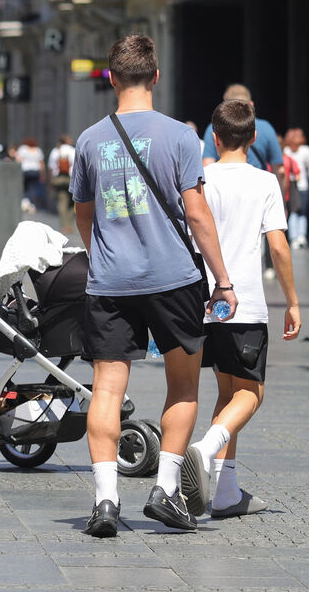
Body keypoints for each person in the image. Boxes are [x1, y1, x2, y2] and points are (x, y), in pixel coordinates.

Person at [70, 34, 237, 538]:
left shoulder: (89, 140)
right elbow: (196, 212)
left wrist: (105, 253)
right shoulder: (182, 137)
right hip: (174, 278)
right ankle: (165, 489)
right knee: (183, 382)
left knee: (106, 384)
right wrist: (223, 280)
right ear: (156, 77)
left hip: (111, 280)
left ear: (112, 78)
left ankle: (104, 500)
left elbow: (83, 215)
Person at [184, 99, 301, 521]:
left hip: (206, 303)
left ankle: (226, 491)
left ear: (214, 137)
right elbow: (278, 246)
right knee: (252, 393)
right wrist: (291, 301)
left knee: (228, 392)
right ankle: (204, 448)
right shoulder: (265, 182)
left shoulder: (199, 178)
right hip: (245, 303)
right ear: (253, 139)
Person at [202, 84, 285, 280]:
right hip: (256, 193)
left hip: (219, 192)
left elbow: (206, 163)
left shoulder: (213, 128)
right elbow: (278, 168)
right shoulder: (265, 128)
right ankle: (264, 270)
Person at [284, 128, 309, 249]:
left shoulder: (286, 150)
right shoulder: (306, 150)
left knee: (293, 212)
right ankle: (302, 236)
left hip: (291, 185)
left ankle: (293, 238)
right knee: (302, 212)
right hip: (303, 184)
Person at [47, 134, 76, 233]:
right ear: (67, 141)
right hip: (71, 178)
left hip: (59, 178)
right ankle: (70, 226)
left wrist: (50, 181)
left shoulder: (55, 151)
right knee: (72, 203)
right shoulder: (72, 150)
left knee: (62, 201)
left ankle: (64, 226)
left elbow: (51, 167)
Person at [15, 137, 46, 213]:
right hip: (35, 171)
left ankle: (26, 202)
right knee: (33, 188)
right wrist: (43, 174)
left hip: (26, 170)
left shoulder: (23, 149)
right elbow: (41, 163)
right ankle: (32, 204)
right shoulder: (38, 150)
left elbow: (18, 159)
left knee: (25, 188)